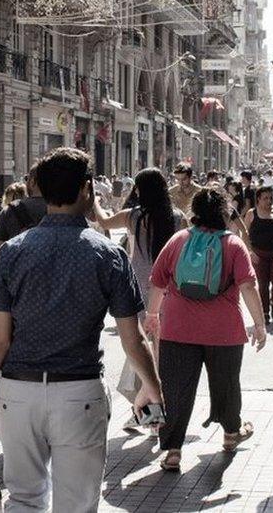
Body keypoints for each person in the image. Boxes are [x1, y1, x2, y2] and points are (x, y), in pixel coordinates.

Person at [0, 148, 162, 512]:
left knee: (23, 500)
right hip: (78, 393)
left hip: (18, 394)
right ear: (87, 190)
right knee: (77, 504)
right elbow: (133, 338)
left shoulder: (13, 253)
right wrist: (153, 389)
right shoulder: (108, 255)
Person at [143, 187, 266, 471]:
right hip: (224, 331)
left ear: (194, 212)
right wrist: (259, 324)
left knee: (174, 389)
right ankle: (231, 433)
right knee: (225, 384)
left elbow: (158, 281)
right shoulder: (233, 244)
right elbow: (248, 285)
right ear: (224, 213)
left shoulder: (178, 240)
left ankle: (173, 451)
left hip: (177, 328)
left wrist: (152, 314)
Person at [92, 168, 186, 428]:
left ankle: (149, 410)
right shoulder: (178, 218)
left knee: (146, 349)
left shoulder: (134, 217)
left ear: (140, 191)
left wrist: (97, 200)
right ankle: (147, 410)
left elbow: (103, 221)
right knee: (158, 351)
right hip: (170, 291)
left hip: (140, 292)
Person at [243, 186, 273, 324]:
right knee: (262, 284)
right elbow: (245, 234)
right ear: (258, 199)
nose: (269, 201)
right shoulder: (252, 213)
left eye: (271, 198)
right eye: (265, 198)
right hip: (258, 254)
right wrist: (250, 251)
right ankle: (264, 313)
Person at [0, 164, 47, 262]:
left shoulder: (10, 210)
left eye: (27, 179)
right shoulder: (61, 209)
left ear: (32, 182)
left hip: (18, 273)